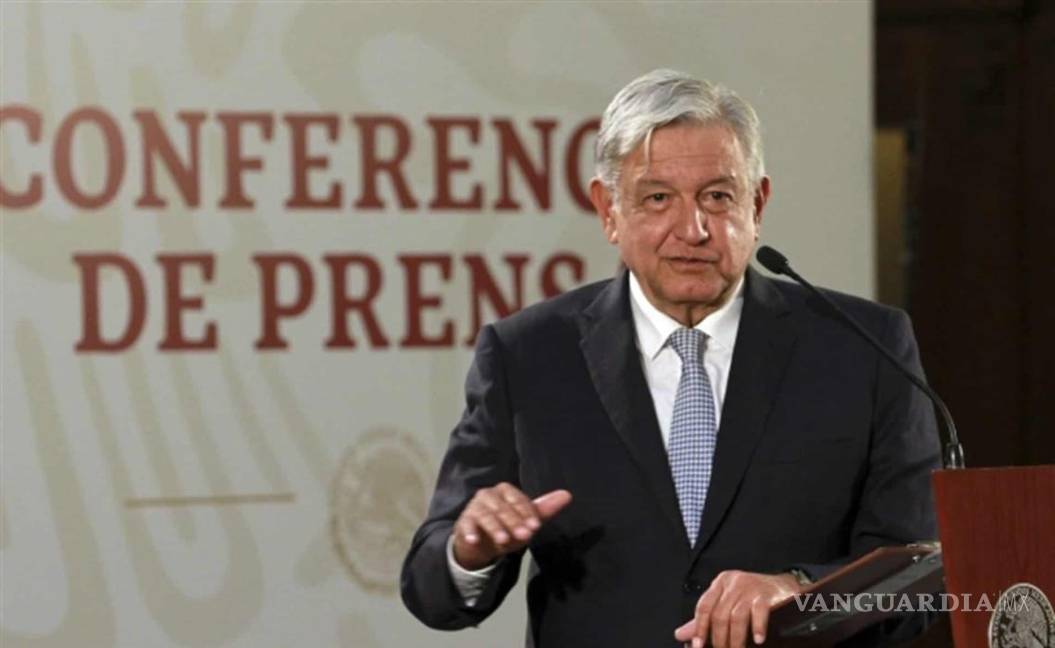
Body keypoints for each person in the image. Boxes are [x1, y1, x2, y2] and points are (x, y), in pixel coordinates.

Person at [400, 69, 941, 648]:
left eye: (718, 196)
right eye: (658, 198)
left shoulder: (865, 348)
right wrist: (469, 550)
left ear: (757, 205)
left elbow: (919, 579)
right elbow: (430, 591)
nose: (693, 229)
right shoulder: (528, 356)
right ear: (609, 210)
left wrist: (800, 590)